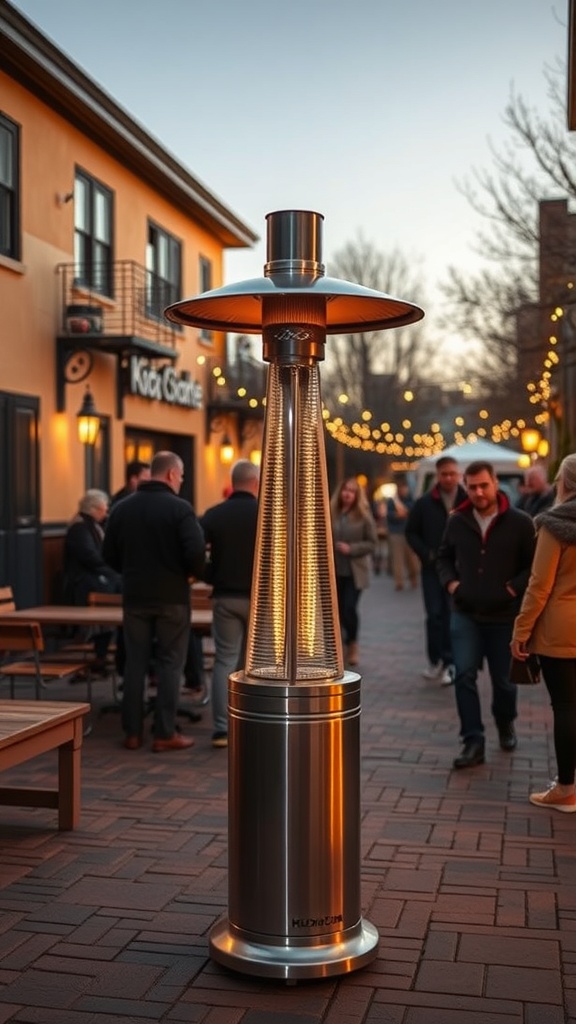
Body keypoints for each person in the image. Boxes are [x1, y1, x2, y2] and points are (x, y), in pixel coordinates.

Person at [102, 451, 205, 752]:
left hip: (134, 596)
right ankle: (164, 732)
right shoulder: (180, 509)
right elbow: (196, 553)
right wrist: (190, 574)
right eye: (182, 475)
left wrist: (131, 572)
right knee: (171, 664)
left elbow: (108, 554)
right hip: (172, 596)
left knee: (135, 663)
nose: (182, 481)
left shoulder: (121, 508)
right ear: (172, 474)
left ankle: (132, 732)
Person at [436, 460, 535, 769]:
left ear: (495, 484)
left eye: (484, 485)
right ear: (466, 485)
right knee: (463, 674)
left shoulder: (520, 522)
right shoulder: (458, 520)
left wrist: (511, 590)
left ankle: (505, 722)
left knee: (504, 682)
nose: (478, 492)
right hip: (465, 612)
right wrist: (452, 584)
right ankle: (473, 741)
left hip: (504, 616)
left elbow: (532, 567)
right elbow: (444, 557)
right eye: (473, 486)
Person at [511, 454, 576, 812]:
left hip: (561, 629)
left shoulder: (554, 524)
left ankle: (566, 788)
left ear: (564, 483)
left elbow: (539, 586)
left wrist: (520, 631)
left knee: (566, 707)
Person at [199, 459, 260, 748]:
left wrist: (210, 575)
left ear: (233, 482)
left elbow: (197, 554)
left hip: (225, 597)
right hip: (261, 601)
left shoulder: (213, 515)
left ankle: (222, 729)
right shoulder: (268, 513)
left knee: (224, 659)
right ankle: (251, 722)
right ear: (256, 483)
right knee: (253, 663)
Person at [406, 456, 467, 686]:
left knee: (453, 614)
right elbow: (411, 532)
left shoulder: (466, 499)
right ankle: (436, 659)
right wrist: (426, 553)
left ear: (459, 474)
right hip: (432, 569)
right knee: (434, 615)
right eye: (444, 474)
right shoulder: (424, 503)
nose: (449, 478)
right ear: (437, 475)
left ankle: (451, 661)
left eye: (453, 473)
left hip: (459, 569)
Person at [63, 489, 120, 671]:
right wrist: (112, 570)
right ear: (94, 508)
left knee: (116, 587)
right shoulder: (80, 527)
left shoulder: (92, 525)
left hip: (94, 577)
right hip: (82, 582)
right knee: (111, 592)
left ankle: (103, 655)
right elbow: (89, 557)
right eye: (104, 508)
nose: (106, 512)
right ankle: (100, 656)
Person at [330, 477, 378, 668]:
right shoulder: (331, 513)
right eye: (344, 490)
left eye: (351, 491)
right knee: (337, 610)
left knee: (349, 607)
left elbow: (372, 543)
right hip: (334, 571)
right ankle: (339, 647)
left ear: (357, 495)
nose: (347, 494)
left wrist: (352, 549)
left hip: (354, 571)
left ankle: (353, 644)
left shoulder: (363, 516)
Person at [385, 478, 419, 591]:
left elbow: (413, 512)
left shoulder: (411, 501)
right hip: (396, 533)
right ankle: (398, 582)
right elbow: (389, 515)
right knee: (397, 560)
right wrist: (397, 515)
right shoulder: (392, 501)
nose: (403, 490)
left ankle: (413, 579)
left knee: (412, 559)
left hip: (409, 532)